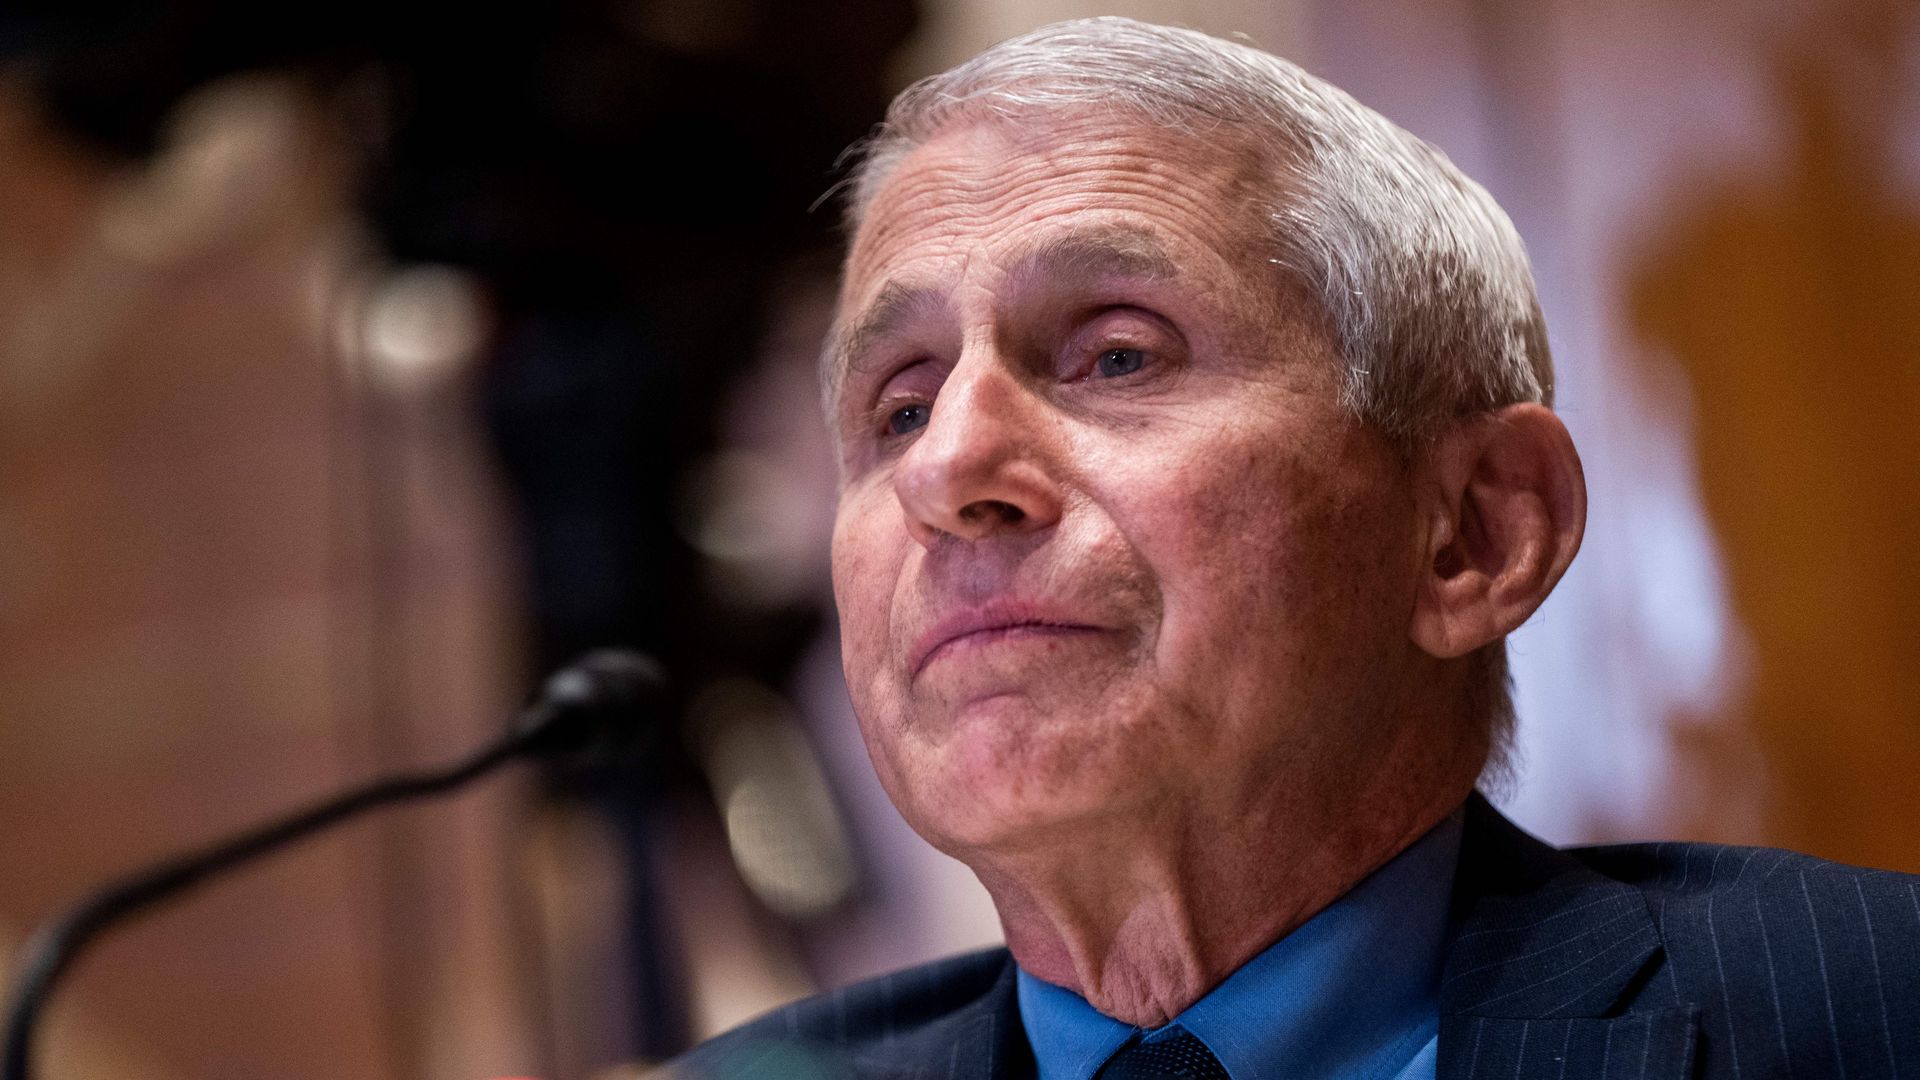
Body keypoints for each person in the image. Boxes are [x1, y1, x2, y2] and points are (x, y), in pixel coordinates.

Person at [671, 17, 1920, 1080]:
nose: (946, 470)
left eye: (1117, 354)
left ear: (1476, 532)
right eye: (900, 407)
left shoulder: (1872, 1013)